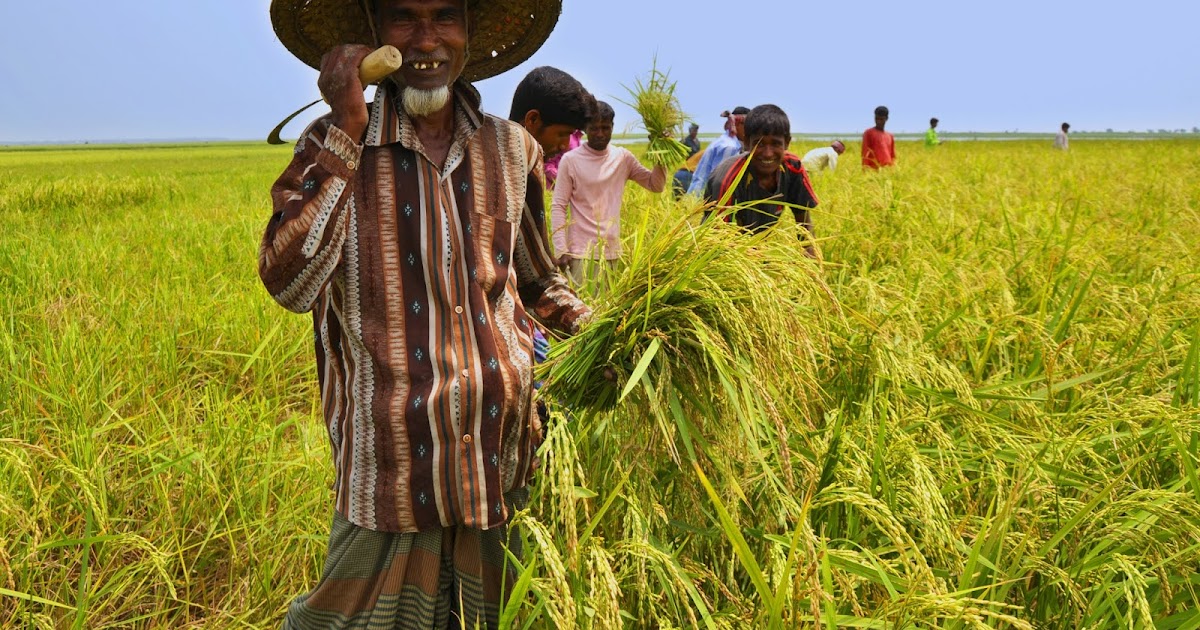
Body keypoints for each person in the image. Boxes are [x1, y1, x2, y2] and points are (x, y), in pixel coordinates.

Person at [262, 1, 592, 628]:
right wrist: (347, 125)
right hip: (393, 473)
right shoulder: (329, 147)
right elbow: (291, 283)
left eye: (445, 16)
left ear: (469, 32)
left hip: (503, 460)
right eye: (403, 19)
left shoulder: (512, 149)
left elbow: (537, 279)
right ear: (372, 34)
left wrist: (608, 332)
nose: (426, 40)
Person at [551, 101, 667, 285]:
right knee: (584, 311)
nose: (600, 134)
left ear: (613, 127)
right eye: (594, 128)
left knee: (607, 310)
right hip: (581, 254)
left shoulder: (622, 158)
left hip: (612, 253)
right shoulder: (571, 160)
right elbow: (558, 206)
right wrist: (560, 249)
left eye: (605, 128)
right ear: (585, 128)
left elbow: (655, 185)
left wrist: (661, 151)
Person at [703, 104, 820, 258]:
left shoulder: (793, 168)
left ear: (787, 142)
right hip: (720, 249)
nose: (767, 153)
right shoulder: (728, 179)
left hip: (760, 246)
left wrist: (812, 267)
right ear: (746, 143)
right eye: (759, 144)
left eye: (776, 144)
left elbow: (804, 224)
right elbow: (717, 240)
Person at [508, 66, 597, 185]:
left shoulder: (529, 174)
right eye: (562, 134)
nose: (564, 146)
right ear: (532, 120)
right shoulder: (490, 174)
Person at [685, 106, 749, 195]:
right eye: (748, 127)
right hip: (705, 200)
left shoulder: (725, 140)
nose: (750, 131)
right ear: (737, 124)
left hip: (697, 196)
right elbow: (719, 181)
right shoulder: (730, 147)